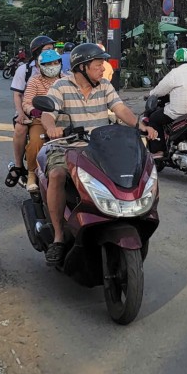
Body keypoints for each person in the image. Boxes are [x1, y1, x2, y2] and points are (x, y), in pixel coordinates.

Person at [36, 43, 158, 268]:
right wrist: (52, 127)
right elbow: (47, 113)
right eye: (98, 65)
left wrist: (140, 125)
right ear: (82, 67)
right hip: (67, 145)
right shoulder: (61, 86)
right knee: (56, 175)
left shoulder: (104, 86)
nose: (103, 69)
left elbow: (120, 109)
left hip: (100, 146)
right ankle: (58, 237)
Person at [6, 35, 54, 186]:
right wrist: (20, 112)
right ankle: (19, 166)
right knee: (20, 128)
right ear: (37, 53)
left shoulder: (59, 71)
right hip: (29, 110)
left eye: (52, 50)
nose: (50, 53)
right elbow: (17, 94)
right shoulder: (25, 71)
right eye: (47, 50)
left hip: (53, 111)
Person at [143, 48, 187, 156]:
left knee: (154, 119)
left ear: (176, 62)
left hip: (178, 112)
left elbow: (160, 90)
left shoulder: (174, 73)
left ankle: (159, 151)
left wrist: (151, 94)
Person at [19, 49, 65, 181]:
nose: (52, 66)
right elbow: (27, 102)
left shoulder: (66, 79)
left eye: (55, 63)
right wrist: (34, 110)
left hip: (62, 119)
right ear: (40, 66)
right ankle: (32, 174)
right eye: (48, 64)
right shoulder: (34, 81)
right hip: (40, 120)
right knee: (36, 142)